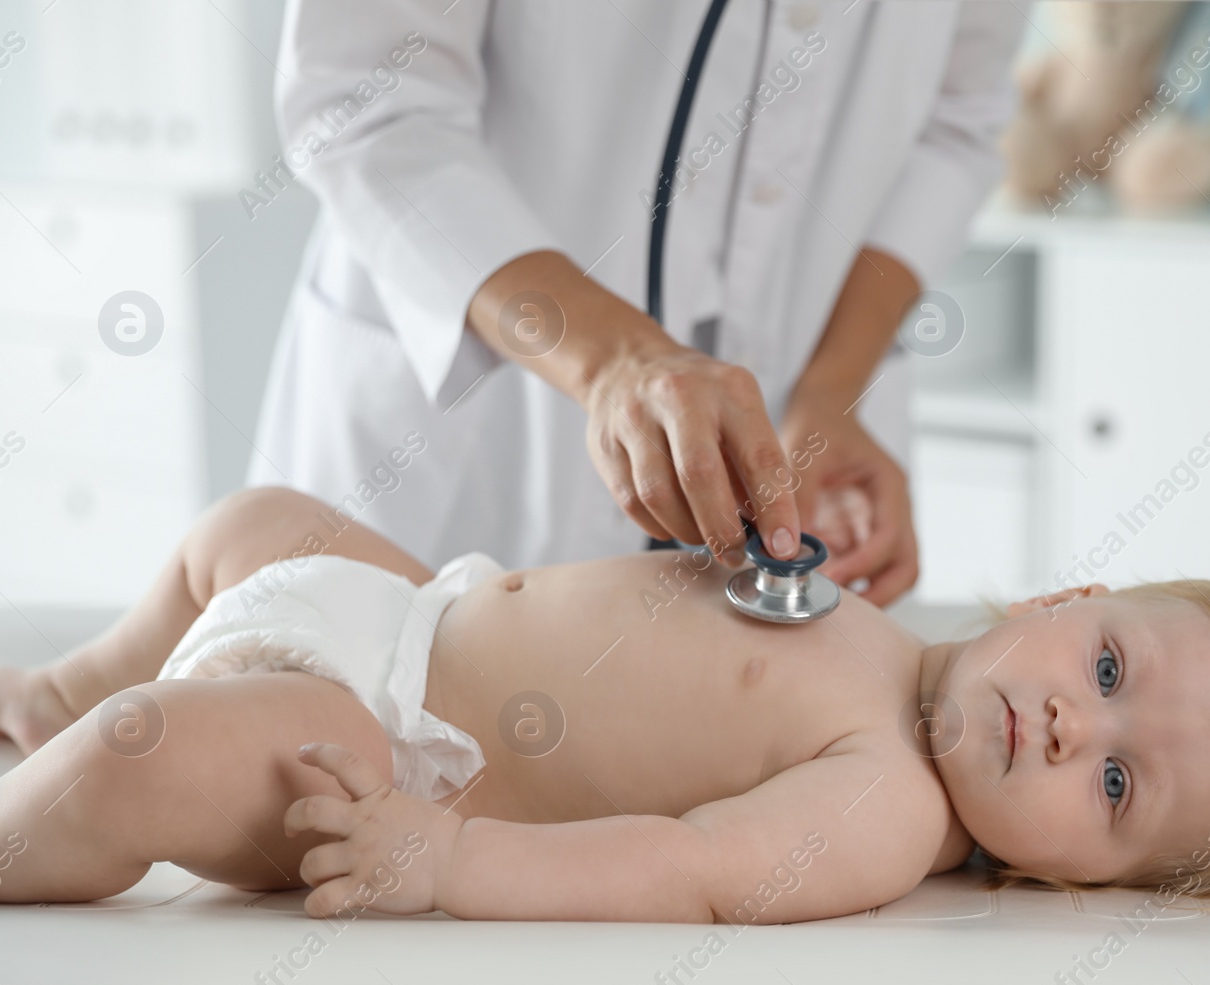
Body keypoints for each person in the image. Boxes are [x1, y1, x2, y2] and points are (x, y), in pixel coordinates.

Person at [0, 487, 1210, 920]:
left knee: (151, 756)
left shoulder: (882, 804)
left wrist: (450, 862)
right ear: (1062, 604)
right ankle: (56, 678)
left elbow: (684, 866)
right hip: (407, 608)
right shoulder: (869, 613)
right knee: (246, 528)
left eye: (1118, 793)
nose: (1083, 733)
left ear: (1059, 878)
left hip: (386, 743)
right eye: (1107, 675)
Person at [248, 0, 1025, 606]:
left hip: (797, 437)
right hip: (471, 432)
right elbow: (365, 102)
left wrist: (833, 389)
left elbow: (955, 126)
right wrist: (617, 362)